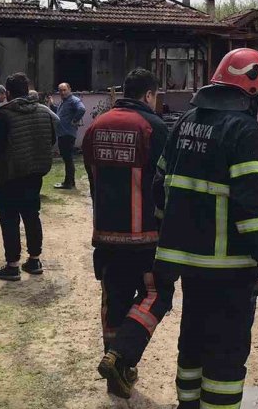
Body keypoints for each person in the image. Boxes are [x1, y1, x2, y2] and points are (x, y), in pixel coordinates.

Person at [152, 48, 258, 409]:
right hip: (230, 266)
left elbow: (158, 185)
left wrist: (167, 240)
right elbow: (251, 205)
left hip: (189, 263)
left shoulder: (185, 121)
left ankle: (187, 404)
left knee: (192, 339)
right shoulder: (244, 130)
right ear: (250, 90)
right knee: (226, 349)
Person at [85, 69, 171, 399]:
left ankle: (114, 376)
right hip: (145, 235)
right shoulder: (154, 128)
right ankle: (121, 356)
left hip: (105, 232)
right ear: (149, 95)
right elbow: (165, 183)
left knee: (114, 298)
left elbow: (93, 181)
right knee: (157, 294)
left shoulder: (96, 126)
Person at [0, 73, 56, 282]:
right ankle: (34, 260)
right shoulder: (44, 112)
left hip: (9, 174)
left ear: (7, 93)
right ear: (27, 90)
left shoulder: (4, 114)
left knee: (9, 218)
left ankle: (12, 264)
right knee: (31, 214)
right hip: (35, 172)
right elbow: (51, 140)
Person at [51, 83, 85, 190]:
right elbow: (59, 113)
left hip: (67, 133)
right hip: (63, 133)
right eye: (60, 90)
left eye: (64, 90)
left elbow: (82, 109)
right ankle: (70, 182)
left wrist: (75, 120)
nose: (62, 92)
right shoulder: (64, 102)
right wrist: (52, 105)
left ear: (70, 89)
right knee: (67, 159)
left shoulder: (73, 100)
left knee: (68, 159)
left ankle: (68, 182)